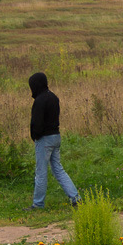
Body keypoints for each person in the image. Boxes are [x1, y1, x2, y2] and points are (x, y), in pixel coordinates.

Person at [27, 72, 80, 210]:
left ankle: (38, 204)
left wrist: (35, 136)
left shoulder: (39, 100)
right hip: (56, 136)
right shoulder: (53, 97)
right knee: (58, 169)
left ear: (36, 85)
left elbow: (37, 123)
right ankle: (76, 198)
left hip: (44, 139)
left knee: (41, 173)